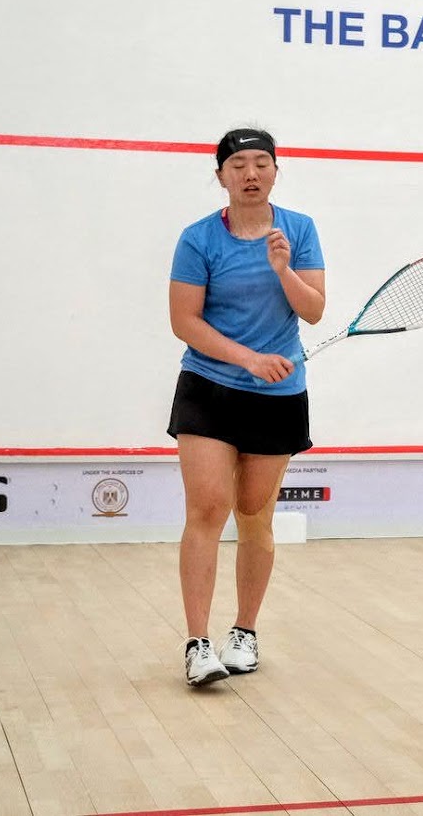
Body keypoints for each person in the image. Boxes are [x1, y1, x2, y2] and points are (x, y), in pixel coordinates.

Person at [167, 128, 326, 686]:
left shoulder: (299, 230)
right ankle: (197, 644)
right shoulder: (198, 239)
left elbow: (314, 312)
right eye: (238, 165)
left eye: (261, 162)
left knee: (255, 515)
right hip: (209, 388)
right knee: (208, 508)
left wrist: (283, 269)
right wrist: (248, 359)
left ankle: (244, 633)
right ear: (221, 176)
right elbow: (184, 320)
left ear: (276, 171)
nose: (250, 173)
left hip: (278, 397)